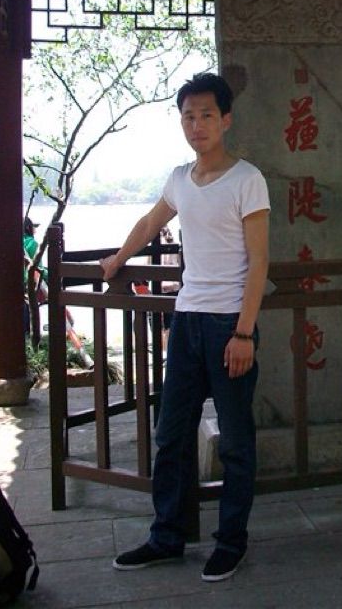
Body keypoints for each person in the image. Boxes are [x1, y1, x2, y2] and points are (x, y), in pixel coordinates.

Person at [102, 72, 270, 582]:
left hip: (229, 325)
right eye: (188, 116)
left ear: (226, 120)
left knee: (235, 441)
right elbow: (149, 224)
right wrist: (117, 259)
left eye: (206, 115)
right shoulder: (179, 179)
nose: (197, 125)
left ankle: (231, 542)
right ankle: (166, 537)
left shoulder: (247, 180)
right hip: (187, 320)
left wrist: (244, 333)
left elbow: (259, 261)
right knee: (171, 434)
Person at [159, 225, 181, 352]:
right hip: (175, 289)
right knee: (171, 324)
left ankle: (166, 351)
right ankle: (170, 350)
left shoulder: (157, 247)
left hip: (162, 289)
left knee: (164, 326)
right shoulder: (175, 245)